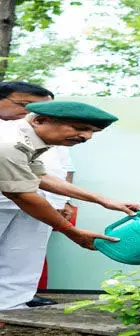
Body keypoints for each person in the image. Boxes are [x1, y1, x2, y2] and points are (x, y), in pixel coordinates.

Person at [0, 101, 140, 310]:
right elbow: (22, 194)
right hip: (13, 198)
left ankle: (8, 310)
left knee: (20, 256)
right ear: (40, 120)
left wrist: (102, 200)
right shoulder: (9, 142)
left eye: (93, 132)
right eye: (79, 128)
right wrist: (72, 232)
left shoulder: (28, 137)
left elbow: (38, 175)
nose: (87, 137)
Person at [0, 81, 75, 307]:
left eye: (42, 109)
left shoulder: (45, 132)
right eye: (24, 104)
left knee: (24, 254)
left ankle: (12, 304)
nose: (31, 112)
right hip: (11, 196)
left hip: (39, 201)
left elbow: (58, 172)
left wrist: (62, 201)